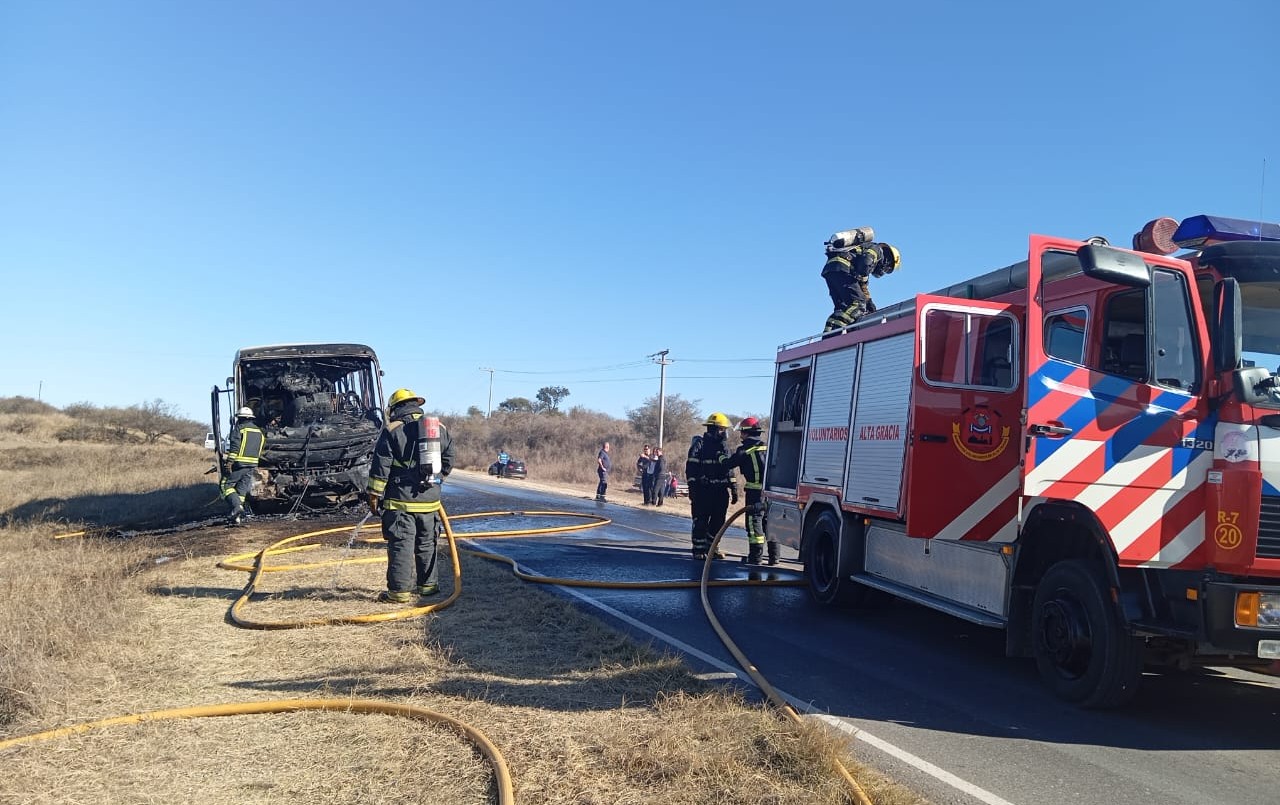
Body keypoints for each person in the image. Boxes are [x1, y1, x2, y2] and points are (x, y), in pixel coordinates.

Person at [365, 387, 455, 604]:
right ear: (416, 405)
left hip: (400, 502)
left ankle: (398, 593)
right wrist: (437, 478)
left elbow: (381, 465)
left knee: (401, 546)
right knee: (427, 544)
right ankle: (428, 587)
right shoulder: (438, 428)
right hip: (430, 502)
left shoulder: (393, 429)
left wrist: (374, 494)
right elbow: (450, 458)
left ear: (394, 408)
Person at [821, 226, 901, 333]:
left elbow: (862, 287)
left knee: (842, 308)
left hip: (831, 269)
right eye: (887, 268)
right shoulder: (877, 250)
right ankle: (837, 335)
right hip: (844, 269)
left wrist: (869, 303)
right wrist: (864, 302)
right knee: (858, 305)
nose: (884, 271)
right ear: (888, 260)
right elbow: (866, 263)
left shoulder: (862, 255)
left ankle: (828, 334)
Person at [685, 412, 737, 560]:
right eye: (722, 429)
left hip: (720, 492)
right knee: (700, 521)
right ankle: (698, 550)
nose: (724, 433)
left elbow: (729, 469)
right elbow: (691, 469)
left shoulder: (724, 447)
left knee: (718, 522)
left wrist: (733, 489)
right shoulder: (699, 445)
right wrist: (693, 488)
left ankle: (712, 548)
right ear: (715, 429)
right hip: (703, 491)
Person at [729, 417, 776, 565]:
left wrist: (721, 456)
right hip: (771, 494)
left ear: (746, 433)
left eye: (742, 432)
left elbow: (729, 463)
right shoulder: (768, 447)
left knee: (754, 522)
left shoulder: (744, 450)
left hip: (755, 494)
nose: (740, 435)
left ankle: (755, 557)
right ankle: (774, 557)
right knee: (770, 523)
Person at [221, 406, 265, 526]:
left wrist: (229, 462)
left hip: (239, 464)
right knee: (241, 491)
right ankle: (237, 518)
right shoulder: (259, 432)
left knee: (225, 485)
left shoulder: (239, 429)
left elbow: (234, 448)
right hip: (252, 465)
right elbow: (259, 450)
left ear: (240, 418)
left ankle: (236, 507)